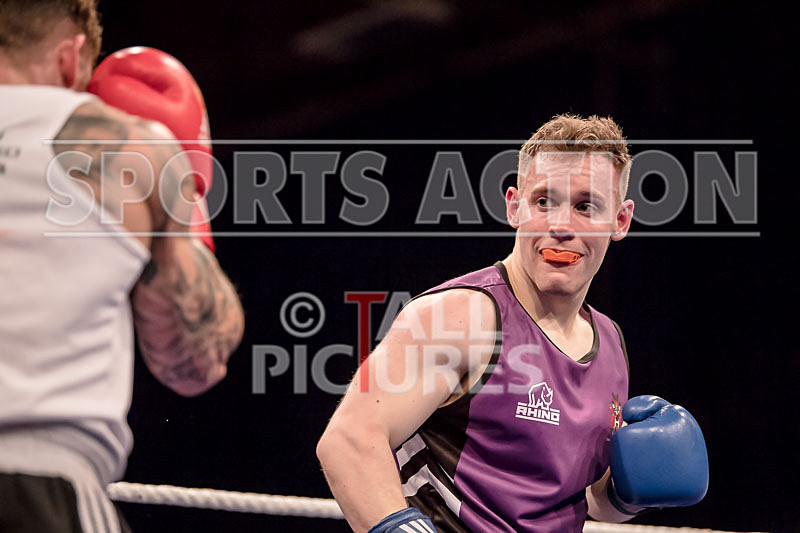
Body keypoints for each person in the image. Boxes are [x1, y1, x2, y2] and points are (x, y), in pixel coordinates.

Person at [317, 115, 708, 532]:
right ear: (514, 206)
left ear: (620, 221)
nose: (561, 226)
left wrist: (626, 492)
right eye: (544, 202)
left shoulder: (610, 342)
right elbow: (349, 440)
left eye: (585, 206)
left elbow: (588, 498)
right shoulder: (461, 317)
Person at [0, 1, 244, 531]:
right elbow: (195, 363)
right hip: (38, 483)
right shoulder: (123, 145)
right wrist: (182, 203)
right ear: (71, 58)